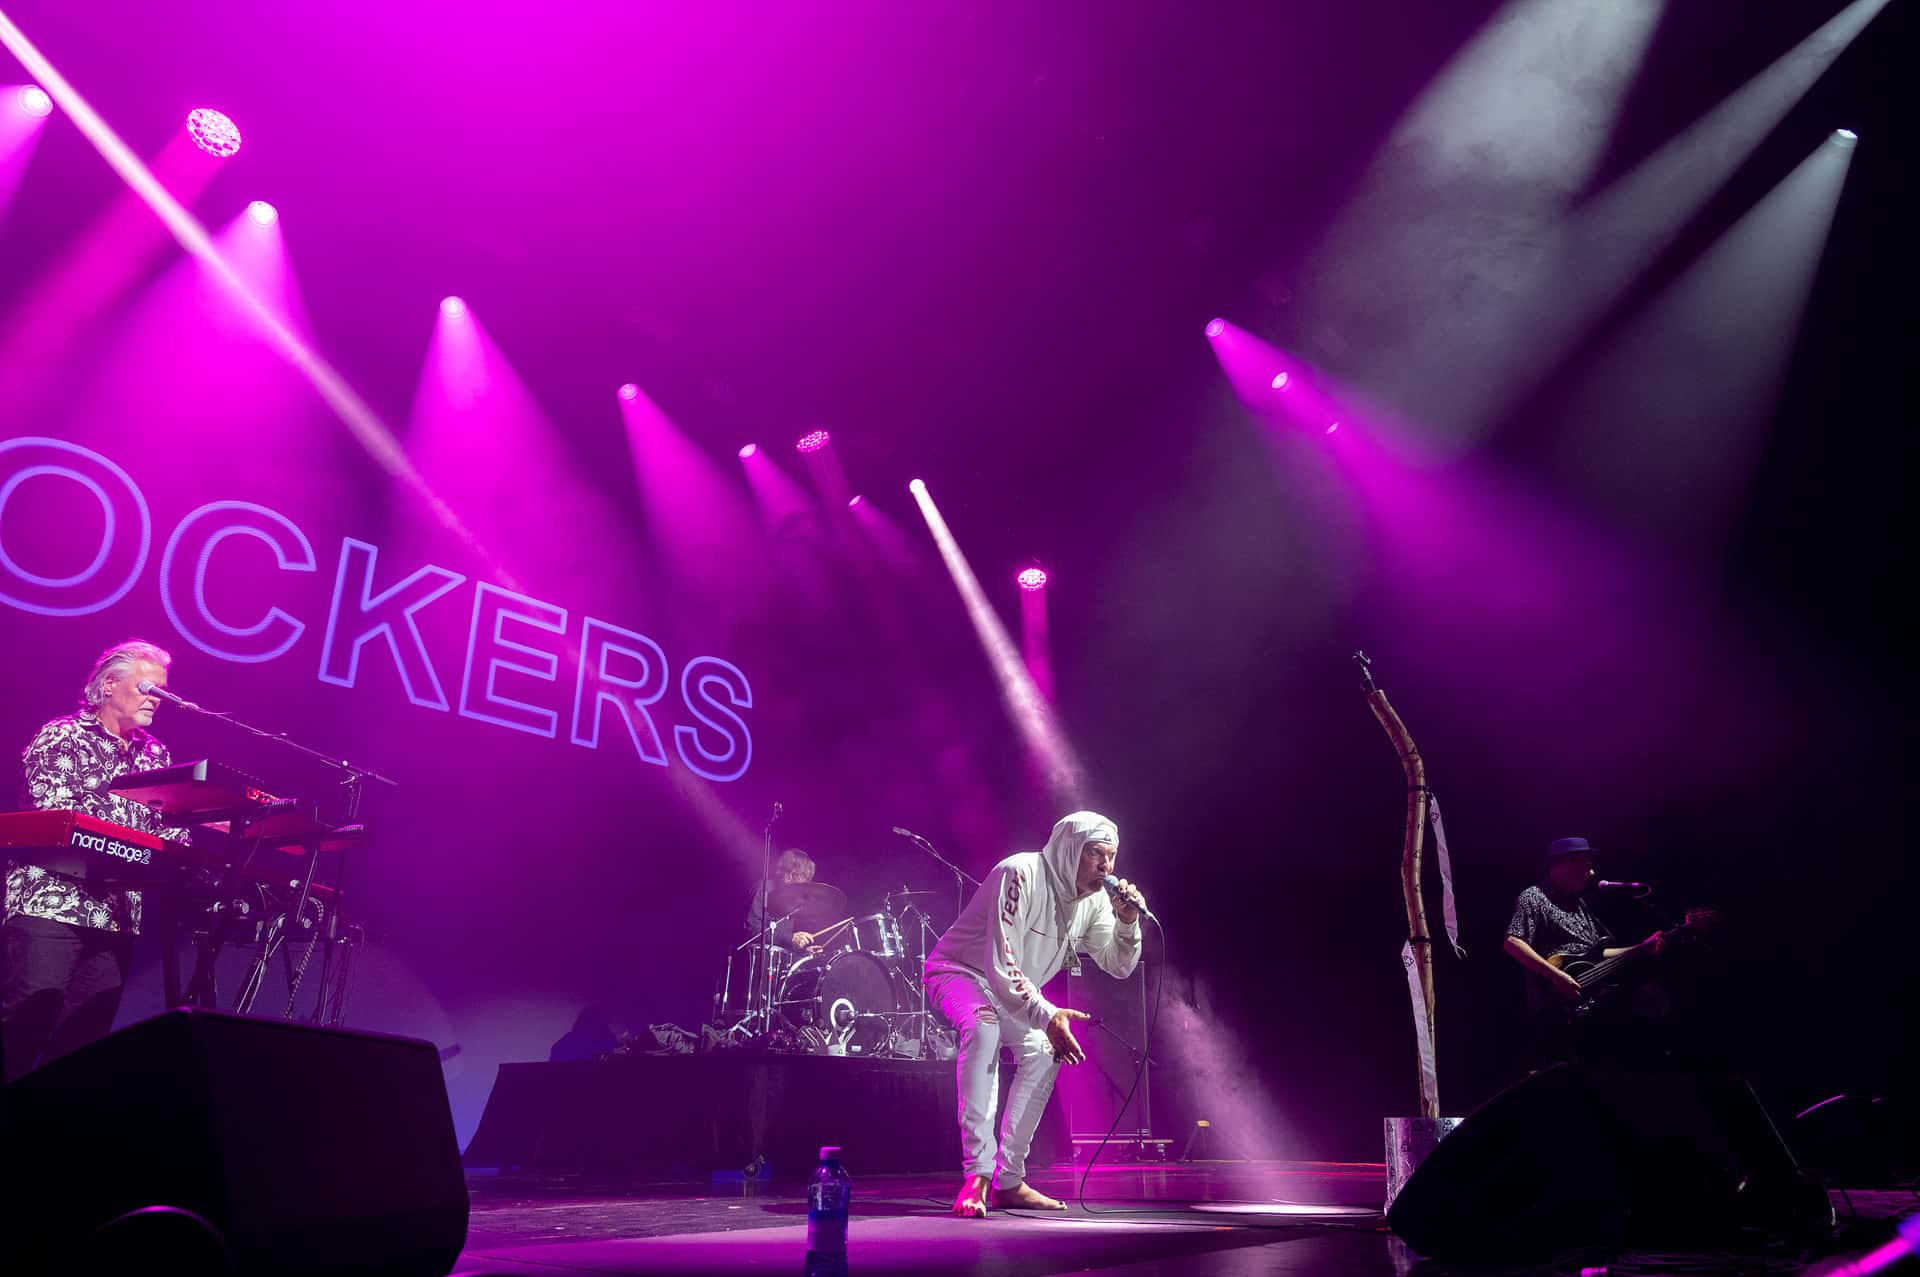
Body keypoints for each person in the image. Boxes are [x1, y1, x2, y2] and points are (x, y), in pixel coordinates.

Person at [922, 810, 1147, 1217]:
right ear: (1069, 849)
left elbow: (1118, 965)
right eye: (1095, 854)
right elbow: (1001, 965)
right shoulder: (1020, 873)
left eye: (1111, 856)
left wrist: (1128, 923)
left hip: (1008, 988)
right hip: (958, 972)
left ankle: (1008, 1179)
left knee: (1045, 1051)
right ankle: (978, 1174)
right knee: (984, 1027)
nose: (1106, 866)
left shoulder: (1094, 901)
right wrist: (1047, 1014)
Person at [3, 639, 188, 1081]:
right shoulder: (62, 735)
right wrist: (140, 829)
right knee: (27, 1019)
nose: (155, 699)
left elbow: (169, 825)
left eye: (161, 691)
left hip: (116, 916)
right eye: (146, 688)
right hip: (51, 902)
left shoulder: (156, 754)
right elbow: (57, 808)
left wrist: (186, 836)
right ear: (108, 686)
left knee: (85, 1042)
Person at [1502, 835, 1663, 1069]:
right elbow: (1513, 942)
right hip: (1555, 1009)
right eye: (1586, 865)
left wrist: (1642, 948)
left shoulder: (1579, 905)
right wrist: (1557, 977)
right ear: (1563, 864)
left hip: (1592, 1005)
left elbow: (1599, 954)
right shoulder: (1534, 897)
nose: (1592, 872)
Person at [745, 848, 828, 952]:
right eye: (801, 875)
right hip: (755, 958)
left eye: (806, 878)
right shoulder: (764, 889)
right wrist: (790, 938)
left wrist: (803, 952)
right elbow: (752, 931)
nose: (804, 883)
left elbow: (783, 943)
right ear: (789, 873)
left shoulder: (791, 899)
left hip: (778, 961)